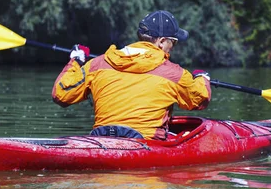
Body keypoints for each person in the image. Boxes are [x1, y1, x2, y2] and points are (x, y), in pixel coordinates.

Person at [52, 10, 211, 140]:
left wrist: (76, 61)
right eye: (173, 42)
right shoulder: (174, 74)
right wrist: (202, 77)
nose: (173, 47)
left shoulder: (97, 64)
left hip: (100, 138)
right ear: (162, 42)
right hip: (146, 145)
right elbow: (200, 99)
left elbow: (62, 94)